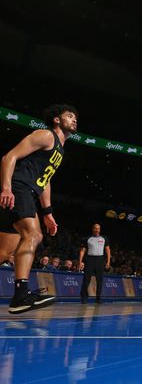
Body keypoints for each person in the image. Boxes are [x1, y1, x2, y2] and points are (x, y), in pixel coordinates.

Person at [0, 103, 77, 314]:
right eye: (69, 116)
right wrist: (6, 188)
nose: (74, 119)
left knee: (4, 252)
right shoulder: (46, 135)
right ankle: (20, 295)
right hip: (18, 187)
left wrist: (48, 212)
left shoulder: (59, 149)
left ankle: (20, 295)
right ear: (57, 120)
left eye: (75, 117)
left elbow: (45, 181)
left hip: (28, 191)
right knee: (33, 234)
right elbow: (9, 157)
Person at [79, 223, 111, 304]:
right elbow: (82, 251)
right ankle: (84, 298)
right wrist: (80, 261)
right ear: (92, 229)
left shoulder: (104, 238)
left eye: (98, 228)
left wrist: (108, 262)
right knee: (86, 279)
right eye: (95, 228)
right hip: (90, 259)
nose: (97, 230)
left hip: (100, 260)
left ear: (100, 230)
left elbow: (108, 250)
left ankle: (98, 299)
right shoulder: (87, 239)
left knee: (100, 280)